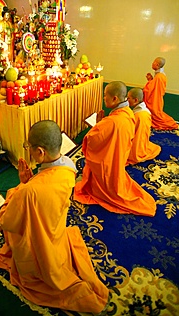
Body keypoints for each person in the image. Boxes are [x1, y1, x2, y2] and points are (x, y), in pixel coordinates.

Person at [0, 120, 109, 314]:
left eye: (29, 148)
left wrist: (21, 186)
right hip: (56, 227)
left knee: (11, 225)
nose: (28, 151)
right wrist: (30, 181)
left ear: (40, 152)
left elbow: (7, 221)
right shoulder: (68, 167)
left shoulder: (29, 191)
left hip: (39, 244)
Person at [73, 81, 156, 217]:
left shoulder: (112, 121)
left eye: (105, 95)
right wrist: (102, 125)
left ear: (115, 98)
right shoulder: (128, 112)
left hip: (108, 164)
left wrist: (98, 126)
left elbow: (91, 140)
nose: (103, 98)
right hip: (119, 157)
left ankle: (102, 186)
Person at [127, 87, 161, 165]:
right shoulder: (145, 111)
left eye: (128, 98)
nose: (127, 100)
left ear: (135, 100)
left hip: (135, 147)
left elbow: (129, 132)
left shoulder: (139, 115)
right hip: (142, 141)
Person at [143, 57, 178, 130]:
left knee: (157, 115)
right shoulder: (159, 75)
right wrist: (151, 80)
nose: (152, 64)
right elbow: (155, 87)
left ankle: (171, 124)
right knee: (157, 115)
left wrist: (149, 81)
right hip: (156, 98)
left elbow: (151, 89)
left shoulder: (159, 76)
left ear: (157, 65)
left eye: (153, 62)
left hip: (155, 99)